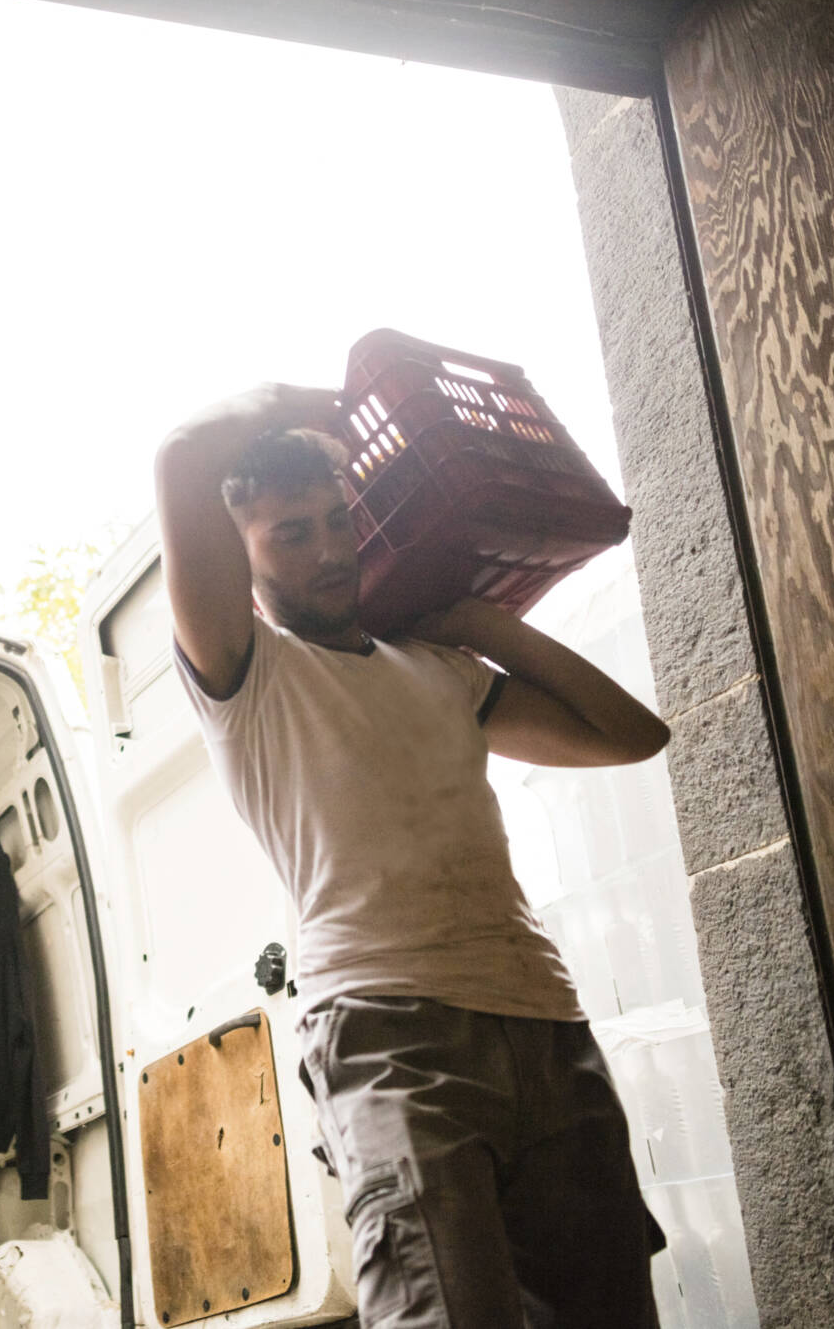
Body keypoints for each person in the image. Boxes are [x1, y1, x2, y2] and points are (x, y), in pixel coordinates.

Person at [155, 383, 672, 1328]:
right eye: (290, 534)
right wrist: (317, 400)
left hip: (547, 1026)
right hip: (389, 1035)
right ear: (242, 557)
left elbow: (634, 734)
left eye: (336, 520)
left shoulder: (441, 669)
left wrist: (487, 628)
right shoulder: (249, 676)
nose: (327, 549)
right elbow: (183, 456)